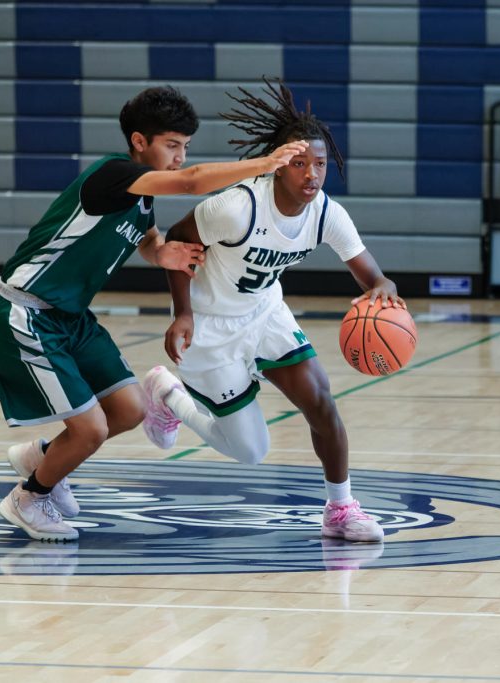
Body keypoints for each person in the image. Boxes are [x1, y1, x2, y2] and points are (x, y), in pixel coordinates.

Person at [0, 85, 308, 542]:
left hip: (71, 318)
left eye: (185, 147)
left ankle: (43, 456)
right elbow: (193, 182)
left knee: (131, 408)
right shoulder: (114, 174)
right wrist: (265, 164)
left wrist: (162, 254)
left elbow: (146, 235)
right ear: (140, 141)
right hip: (27, 312)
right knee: (91, 428)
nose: (179, 156)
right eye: (172, 145)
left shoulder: (139, 196)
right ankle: (28, 496)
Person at [142, 79, 407, 543]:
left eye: (320, 165)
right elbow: (178, 244)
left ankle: (340, 509)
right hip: (211, 326)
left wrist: (382, 291)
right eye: (300, 163)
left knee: (321, 402)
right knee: (250, 450)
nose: (312, 175)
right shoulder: (236, 207)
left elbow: (374, 277)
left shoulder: (326, 213)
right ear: (279, 166)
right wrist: (182, 314)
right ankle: (168, 395)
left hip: (265, 314)